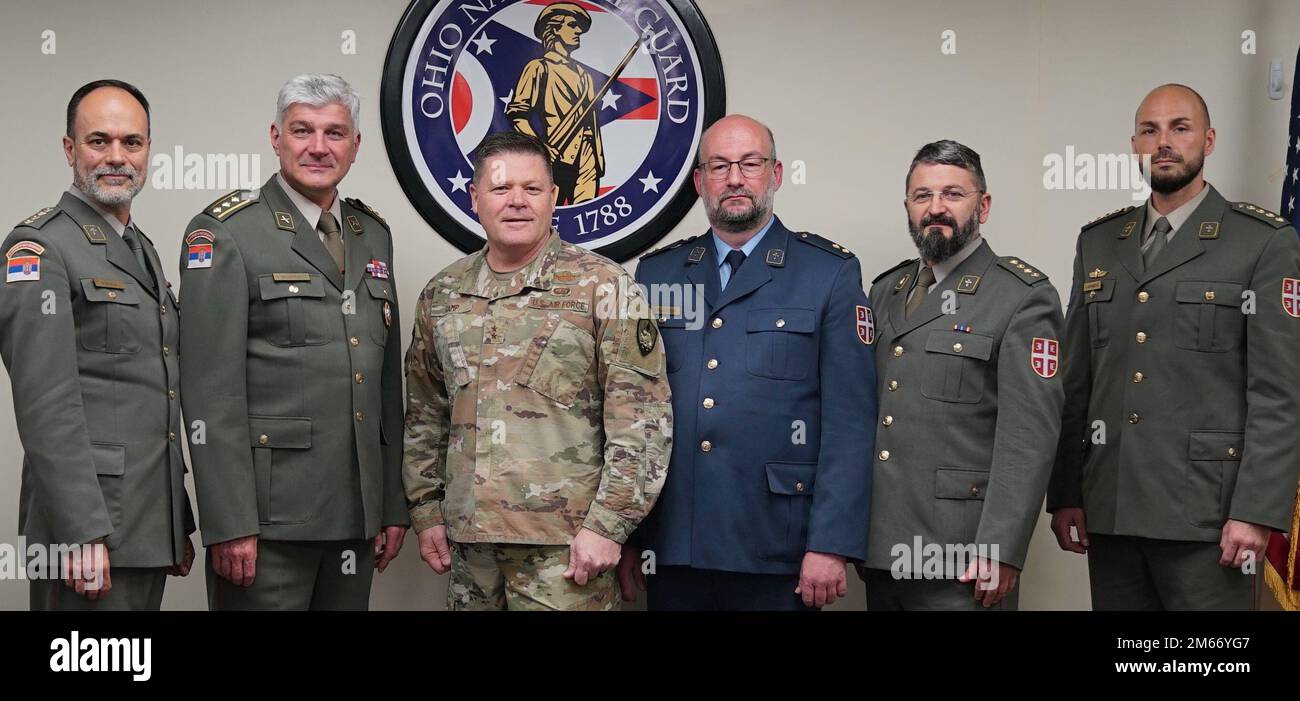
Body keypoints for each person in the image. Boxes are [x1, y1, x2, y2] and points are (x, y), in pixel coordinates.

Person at [1047, 84, 1300, 610]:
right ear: (1135, 145)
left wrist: (1256, 510)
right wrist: (1066, 492)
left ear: (1208, 140)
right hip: (1110, 507)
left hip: (1210, 516)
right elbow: (1077, 380)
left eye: (1179, 128)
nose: (1163, 142)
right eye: (1149, 130)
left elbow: (1280, 392)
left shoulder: (1262, 243)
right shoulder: (1097, 242)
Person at [403, 130, 671, 611]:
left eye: (531, 189)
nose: (517, 202)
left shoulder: (603, 287)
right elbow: (425, 415)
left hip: (567, 552)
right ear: (475, 198)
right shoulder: (443, 294)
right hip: (470, 546)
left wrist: (608, 526)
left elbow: (643, 423)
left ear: (554, 197)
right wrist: (425, 512)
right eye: (501, 188)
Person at [626, 114, 876, 610]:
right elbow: (633, 415)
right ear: (700, 182)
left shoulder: (827, 273)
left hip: (778, 543)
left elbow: (851, 421)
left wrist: (830, 543)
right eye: (718, 166)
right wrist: (629, 534)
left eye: (750, 164)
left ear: (776, 174)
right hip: (677, 540)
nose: (734, 178)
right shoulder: (658, 273)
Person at [178, 74, 407, 610]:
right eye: (303, 130)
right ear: (275, 136)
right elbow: (209, 392)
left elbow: (384, 387)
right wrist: (229, 522)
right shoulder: (226, 232)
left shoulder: (372, 233)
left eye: (335, 132)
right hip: (267, 522)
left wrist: (391, 504)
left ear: (355, 145)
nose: (318, 147)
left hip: (355, 514)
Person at [0, 79, 195, 610]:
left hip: (144, 524)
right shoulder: (40, 246)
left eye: (132, 143)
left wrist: (175, 519)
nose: (117, 157)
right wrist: (81, 531)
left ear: (148, 151)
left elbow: (152, 389)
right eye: (98, 141)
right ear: (69, 149)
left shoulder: (140, 248)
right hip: (88, 532)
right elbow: (46, 404)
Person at [863, 140, 1064, 610]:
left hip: (965, 557)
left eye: (953, 194)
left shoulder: (1020, 297)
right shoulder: (885, 291)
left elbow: (1029, 437)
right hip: (884, 552)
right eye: (922, 196)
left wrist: (1001, 545)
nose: (936, 208)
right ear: (908, 207)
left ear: (984, 205)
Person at [507, 2, 605, 205]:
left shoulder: (585, 75)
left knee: (585, 213)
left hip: (588, 155)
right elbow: (518, 114)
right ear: (555, 29)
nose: (578, 30)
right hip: (558, 156)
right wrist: (541, 148)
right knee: (552, 215)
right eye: (572, 25)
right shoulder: (538, 68)